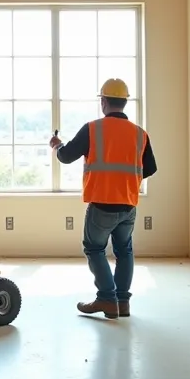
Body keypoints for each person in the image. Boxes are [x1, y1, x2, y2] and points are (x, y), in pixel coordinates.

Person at [49, 78, 157, 319]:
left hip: (101, 205)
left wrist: (57, 145)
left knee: (95, 248)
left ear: (104, 102)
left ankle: (107, 299)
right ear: (124, 102)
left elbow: (66, 156)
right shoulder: (140, 134)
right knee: (124, 250)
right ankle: (122, 302)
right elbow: (149, 168)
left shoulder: (93, 129)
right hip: (128, 204)